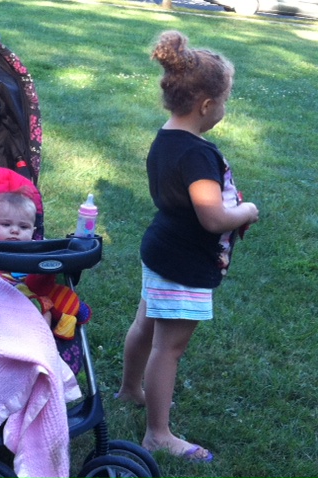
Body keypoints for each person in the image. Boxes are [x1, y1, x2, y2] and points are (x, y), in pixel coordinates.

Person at [115, 31, 259, 463]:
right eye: (225, 101)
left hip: (161, 249)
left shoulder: (166, 137)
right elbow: (212, 217)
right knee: (169, 347)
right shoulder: (197, 155)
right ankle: (158, 434)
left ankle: (129, 390)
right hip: (183, 263)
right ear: (207, 105)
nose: (225, 109)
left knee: (145, 325)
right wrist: (245, 211)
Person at [0, 190, 90, 341]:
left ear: (33, 231)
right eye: (6, 224)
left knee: (46, 310)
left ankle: (40, 341)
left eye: (24, 227)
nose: (15, 230)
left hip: (23, 298)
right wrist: (4, 263)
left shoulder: (34, 248)